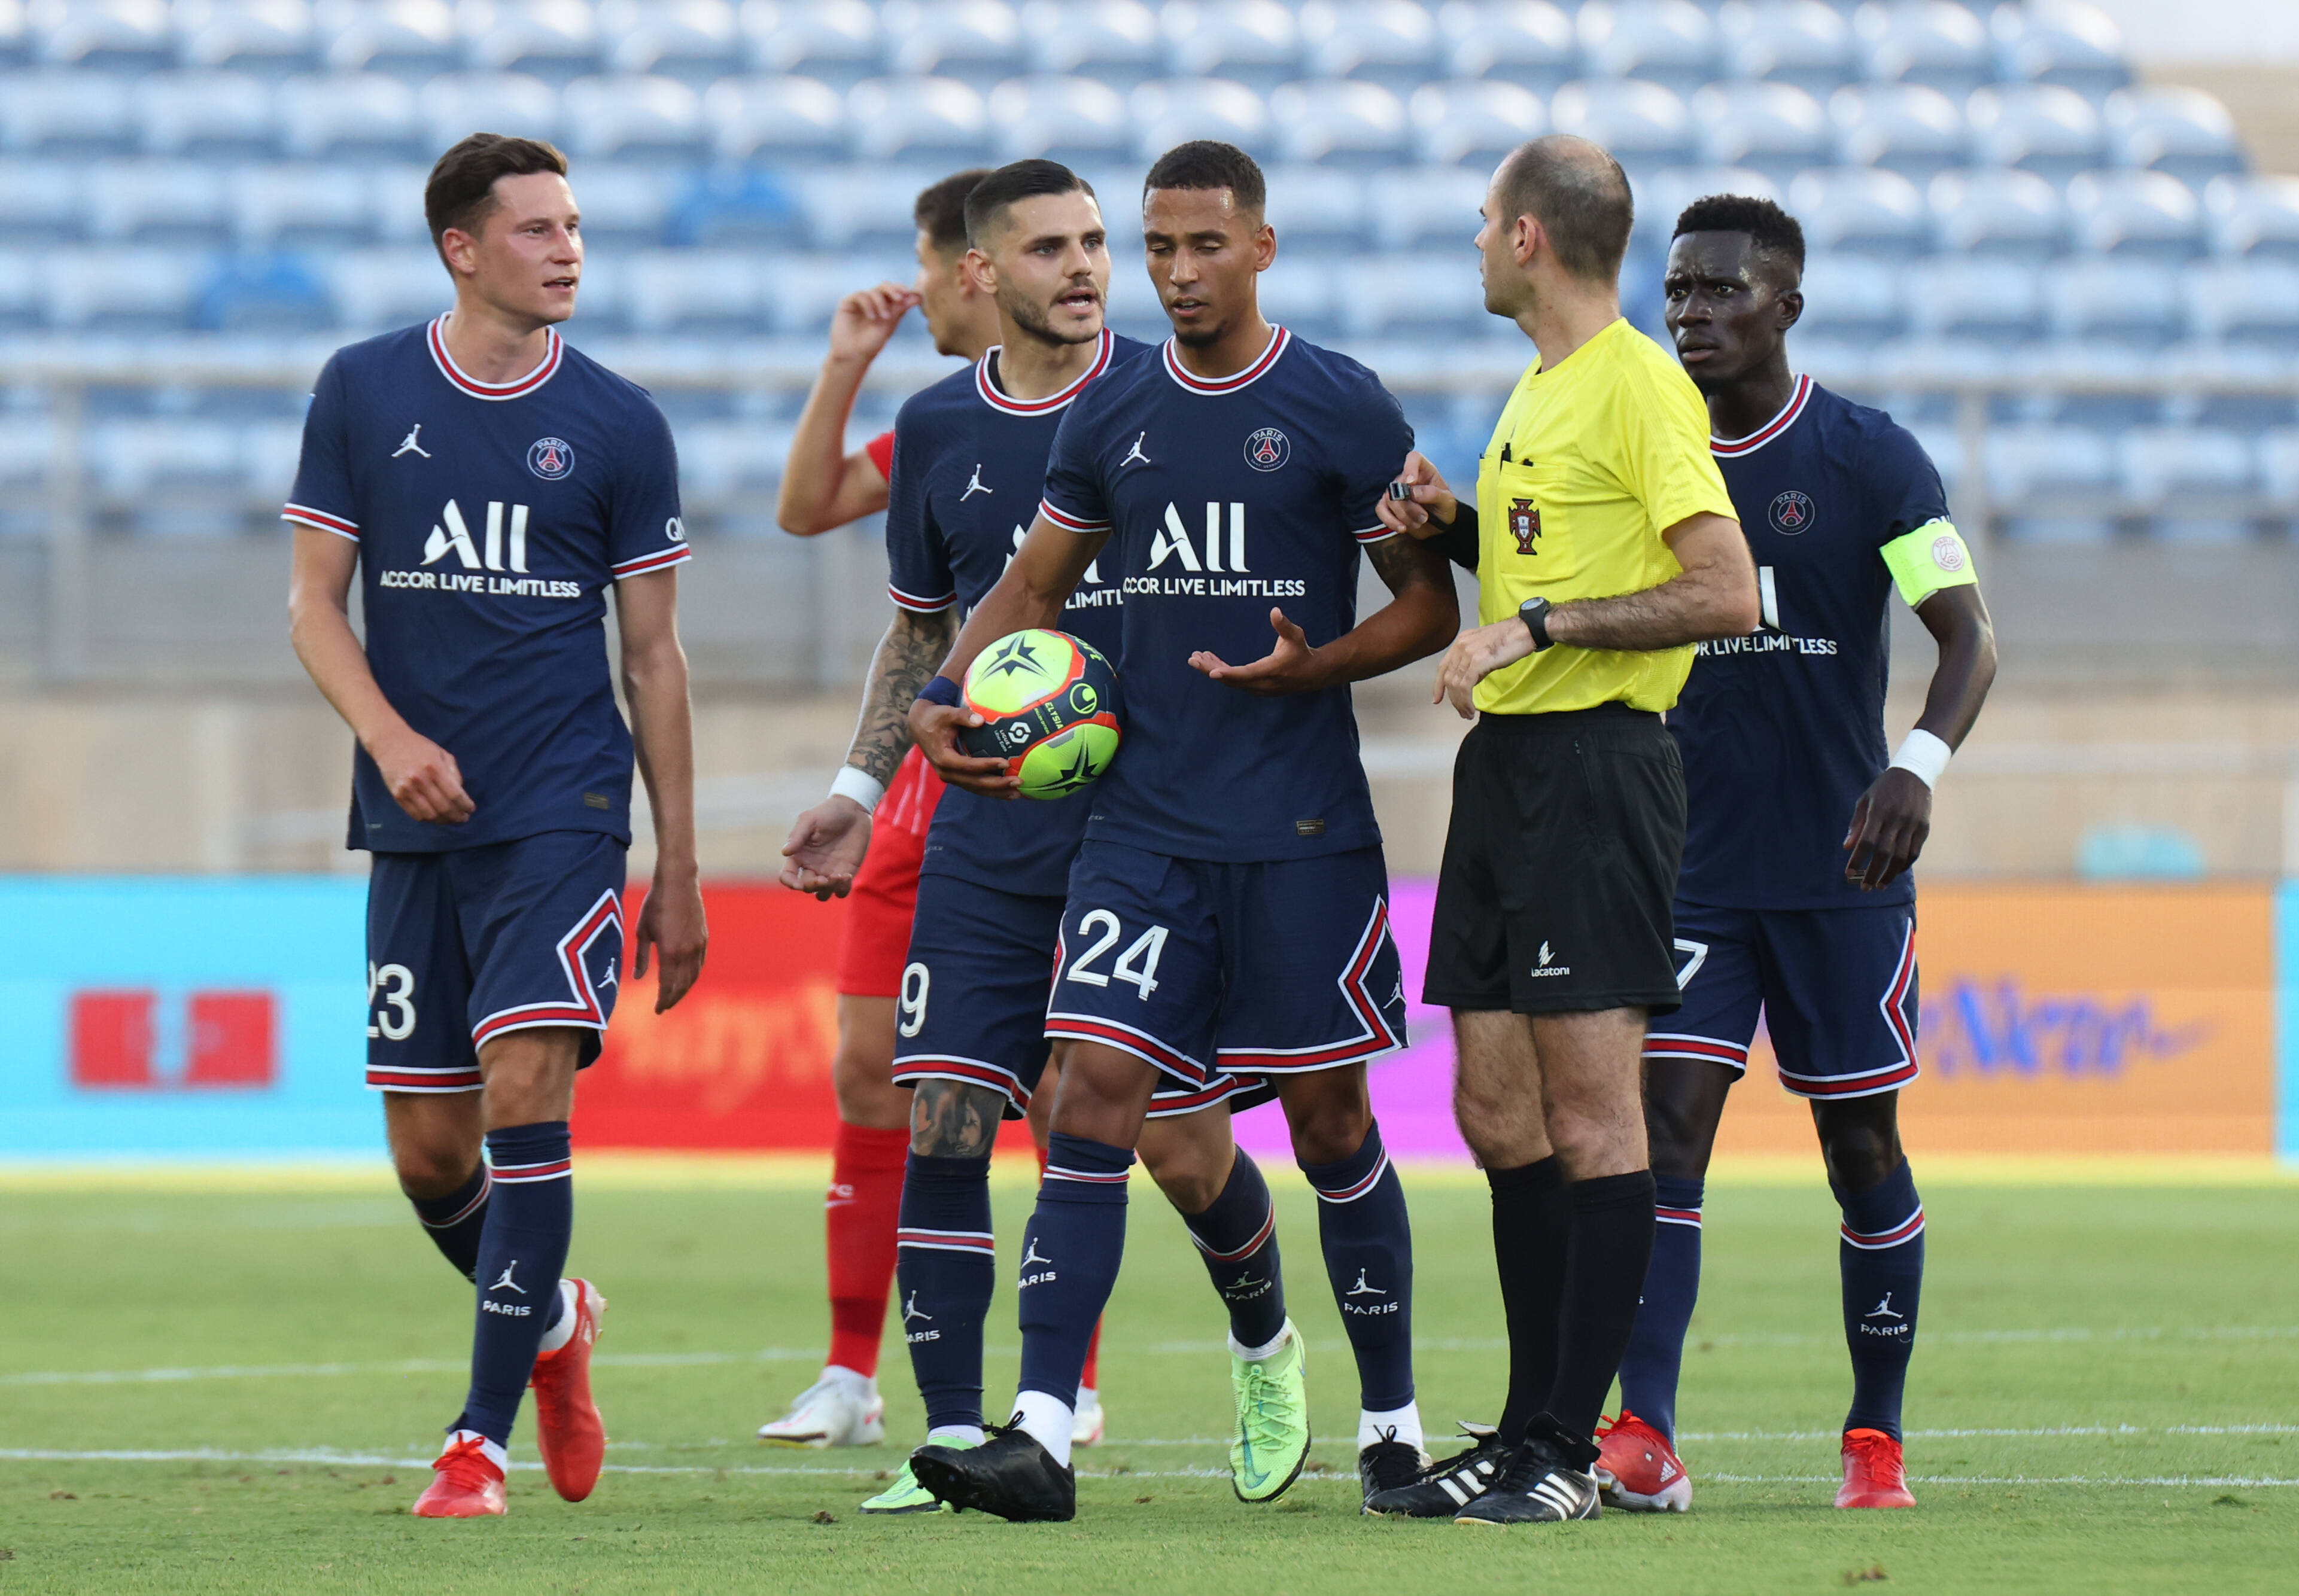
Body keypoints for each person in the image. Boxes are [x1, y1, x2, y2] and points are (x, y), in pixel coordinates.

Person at [902, 140, 1461, 1523]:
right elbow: (1030, 587)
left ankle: (1389, 1425)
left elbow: (1427, 608)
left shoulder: (1337, 403)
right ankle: (1039, 1432)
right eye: (1158, 249)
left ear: (1260, 248)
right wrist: (935, 695)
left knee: (1333, 1123)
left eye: (1204, 246)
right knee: (1089, 1096)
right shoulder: (1112, 416)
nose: (1175, 273)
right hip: (1139, 828)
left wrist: (1310, 665)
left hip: (1300, 824)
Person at [284, 133, 707, 1518]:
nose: (567, 248)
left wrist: (679, 865)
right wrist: (392, 739)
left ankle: (475, 1440)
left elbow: (652, 657)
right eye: (535, 229)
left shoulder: (621, 421)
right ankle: (557, 1319)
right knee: (428, 1155)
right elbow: (310, 606)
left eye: (574, 224)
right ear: (462, 248)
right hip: (414, 818)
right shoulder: (361, 387)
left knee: (527, 1093)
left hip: (562, 813)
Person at [1364, 135, 1757, 1525]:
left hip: (1598, 767)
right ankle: (1529, 1424)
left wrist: (1531, 624)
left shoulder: (1641, 385)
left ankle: (1574, 1451)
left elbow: (1722, 591)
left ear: (1529, 237)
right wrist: (1454, 527)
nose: (1473, 242)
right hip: (1509, 773)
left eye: (1483, 222)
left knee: (1594, 1114)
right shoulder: (1542, 384)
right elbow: (1562, 552)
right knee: (1490, 1106)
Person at [1592, 195, 1997, 1514]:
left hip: (1843, 872)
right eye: (1677, 292)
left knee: (1859, 1148)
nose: (1691, 314)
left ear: (1785, 305)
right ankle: (1640, 1429)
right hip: (1688, 867)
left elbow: (1968, 637)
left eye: (1720, 291)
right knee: (1664, 1137)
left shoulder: (1867, 455)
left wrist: (1914, 766)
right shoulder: (1644, 450)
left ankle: (1872, 1435)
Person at [772, 157, 1141, 1510]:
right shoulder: (936, 426)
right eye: (1056, 245)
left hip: (1144, 821)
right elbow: (922, 624)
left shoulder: (1160, 397)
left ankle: (1267, 1346)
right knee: (934, 1097)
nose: (1088, 267)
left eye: (1098, 242)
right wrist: (859, 790)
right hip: (971, 816)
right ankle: (952, 1432)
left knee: (1177, 1131)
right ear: (992, 264)